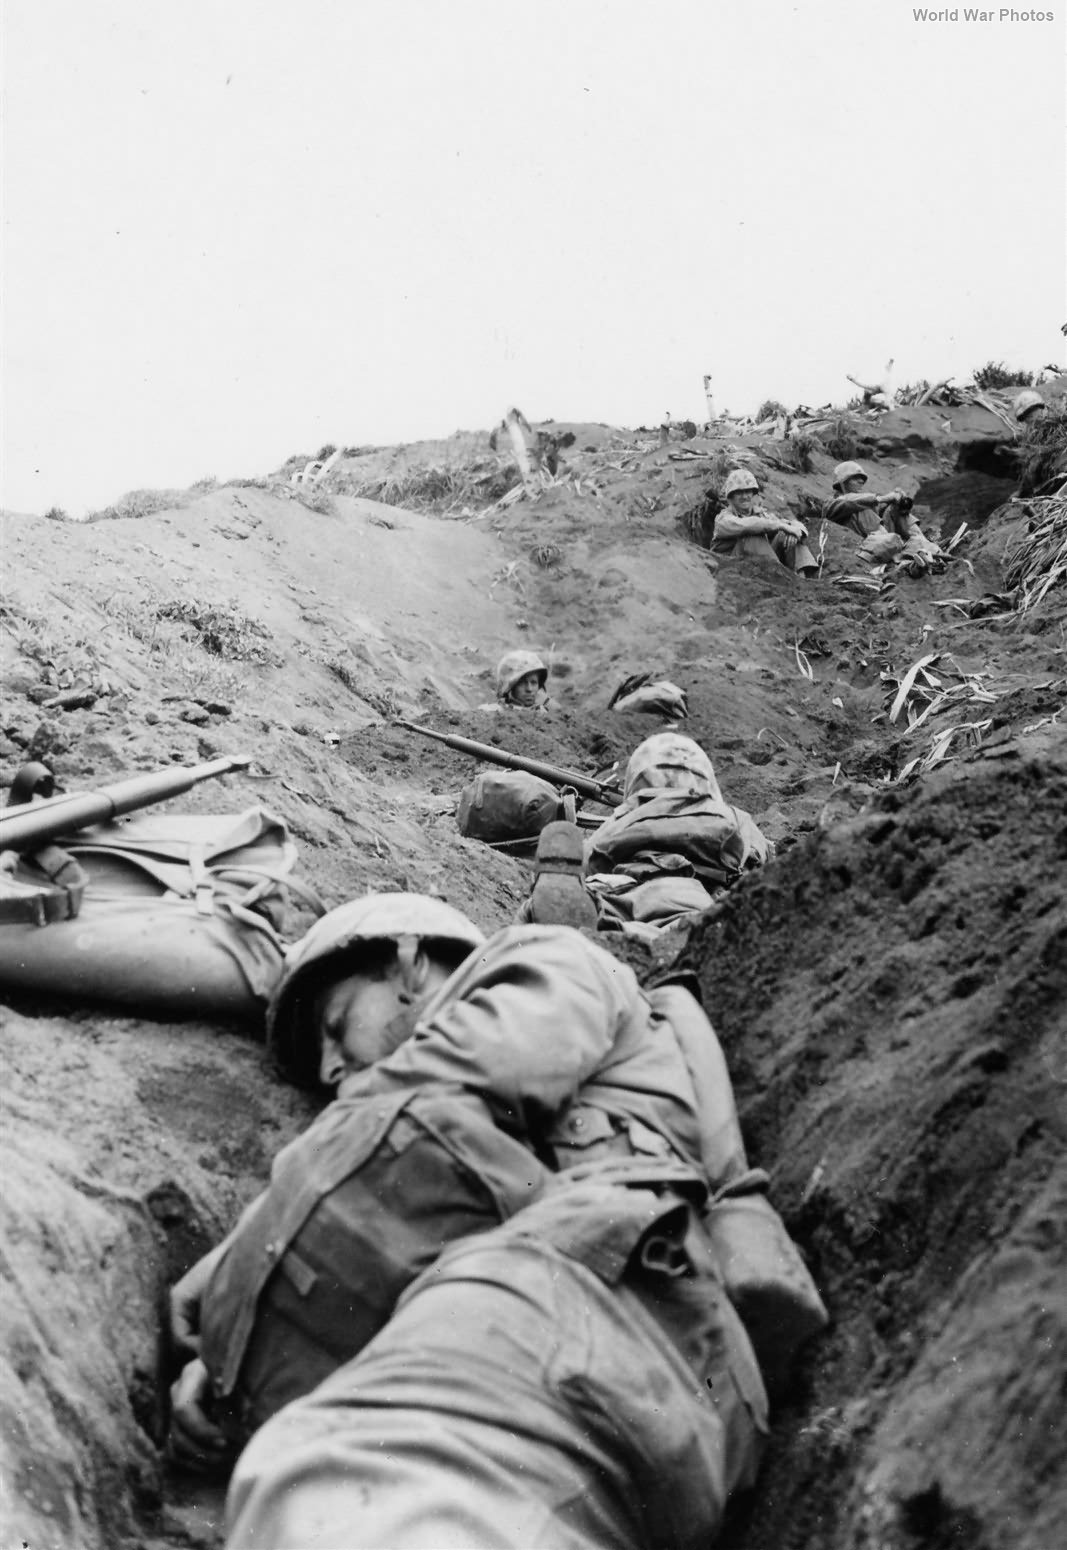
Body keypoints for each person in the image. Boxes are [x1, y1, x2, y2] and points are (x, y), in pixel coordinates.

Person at [168, 893, 825, 1475]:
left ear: (408, 963)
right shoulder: (431, 1161)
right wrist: (231, 1364)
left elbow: (476, 1073)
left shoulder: (548, 960)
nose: (335, 1070)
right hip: (545, 1360)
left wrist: (238, 1258)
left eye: (336, 1027)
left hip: (627, 1329)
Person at [223, 1167, 771, 1550]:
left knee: (332, 1478)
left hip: (584, 1289)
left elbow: (411, 1117)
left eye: (335, 1025)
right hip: (657, 1379)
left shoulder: (527, 1023)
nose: (331, 1062)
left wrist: (229, 1295)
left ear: (411, 989)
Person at [580, 733, 771, 937]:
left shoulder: (623, 820)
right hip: (707, 911)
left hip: (630, 902)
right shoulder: (739, 822)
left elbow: (588, 860)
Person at [823, 461, 943, 572]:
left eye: (862, 479)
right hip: (867, 548)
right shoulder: (832, 503)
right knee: (862, 507)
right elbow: (847, 501)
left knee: (895, 509)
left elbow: (879, 510)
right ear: (842, 482)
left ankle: (926, 547)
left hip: (887, 541)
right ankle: (908, 561)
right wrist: (882, 498)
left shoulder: (863, 501)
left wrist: (896, 502)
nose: (861, 481)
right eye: (855, 478)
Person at [711, 469, 819, 577]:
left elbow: (795, 525)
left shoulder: (760, 514)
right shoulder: (722, 519)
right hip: (729, 570)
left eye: (747, 492)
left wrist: (795, 532)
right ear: (731, 497)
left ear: (753, 493)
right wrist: (781, 526)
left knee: (787, 535)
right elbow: (750, 525)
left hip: (761, 566)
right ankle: (781, 577)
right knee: (753, 538)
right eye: (739, 492)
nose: (744, 496)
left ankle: (803, 580)